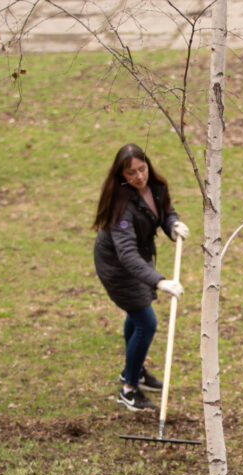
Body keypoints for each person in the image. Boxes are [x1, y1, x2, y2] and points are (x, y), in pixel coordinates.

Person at [93, 143, 190, 411]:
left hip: (138, 259)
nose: (139, 177)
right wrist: (160, 281)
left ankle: (132, 371)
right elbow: (126, 254)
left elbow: (165, 211)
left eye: (142, 169)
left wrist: (173, 225)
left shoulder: (156, 186)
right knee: (145, 322)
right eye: (131, 173)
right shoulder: (120, 207)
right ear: (121, 176)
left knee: (136, 316)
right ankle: (129, 391)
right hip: (117, 266)